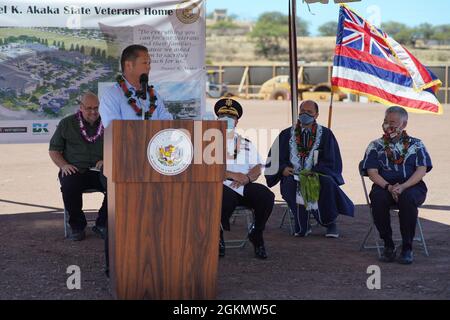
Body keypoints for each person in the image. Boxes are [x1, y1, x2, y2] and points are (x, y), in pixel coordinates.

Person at [265, 100, 354, 238]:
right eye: (302, 111)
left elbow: (332, 161)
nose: (305, 114)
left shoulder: (325, 134)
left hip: (317, 175)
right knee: (290, 184)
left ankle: (330, 223)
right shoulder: (286, 134)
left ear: (316, 115)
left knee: (327, 183)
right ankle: (302, 224)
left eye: (309, 112)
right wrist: (282, 169)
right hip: (292, 175)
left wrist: (315, 171)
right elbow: (274, 158)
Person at [362, 106, 432, 264]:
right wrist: (389, 187)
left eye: (392, 122)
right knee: (377, 198)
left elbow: (422, 169)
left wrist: (404, 186)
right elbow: (372, 172)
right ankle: (388, 244)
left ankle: (407, 247)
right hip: (384, 186)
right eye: (386, 121)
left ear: (404, 124)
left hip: (412, 186)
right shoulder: (375, 146)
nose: (388, 125)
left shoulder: (417, 144)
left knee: (407, 199)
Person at [216, 98, 275, 259]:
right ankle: (217, 237)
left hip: (244, 185)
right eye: (223, 117)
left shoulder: (246, 142)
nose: (227, 121)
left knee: (266, 196)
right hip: (222, 185)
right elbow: (207, 169)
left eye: (231, 118)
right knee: (223, 198)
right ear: (217, 120)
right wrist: (232, 175)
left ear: (236, 122)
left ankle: (257, 234)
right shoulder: (208, 142)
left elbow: (257, 167)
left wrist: (247, 178)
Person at [49, 92, 107, 241]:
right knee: (69, 184)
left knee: (116, 185)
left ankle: (102, 224)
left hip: (100, 169)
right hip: (75, 169)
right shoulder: (67, 123)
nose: (93, 112)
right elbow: (54, 150)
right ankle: (77, 226)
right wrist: (63, 165)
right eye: (89, 108)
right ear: (81, 107)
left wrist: (108, 160)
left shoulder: (108, 122)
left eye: (96, 107)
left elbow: (119, 147)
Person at [99, 44, 173, 128]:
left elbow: (166, 122)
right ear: (128, 65)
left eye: (149, 63)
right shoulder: (111, 95)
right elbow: (114, 130)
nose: (149, 67)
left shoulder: (154, 95)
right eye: (145, 63)